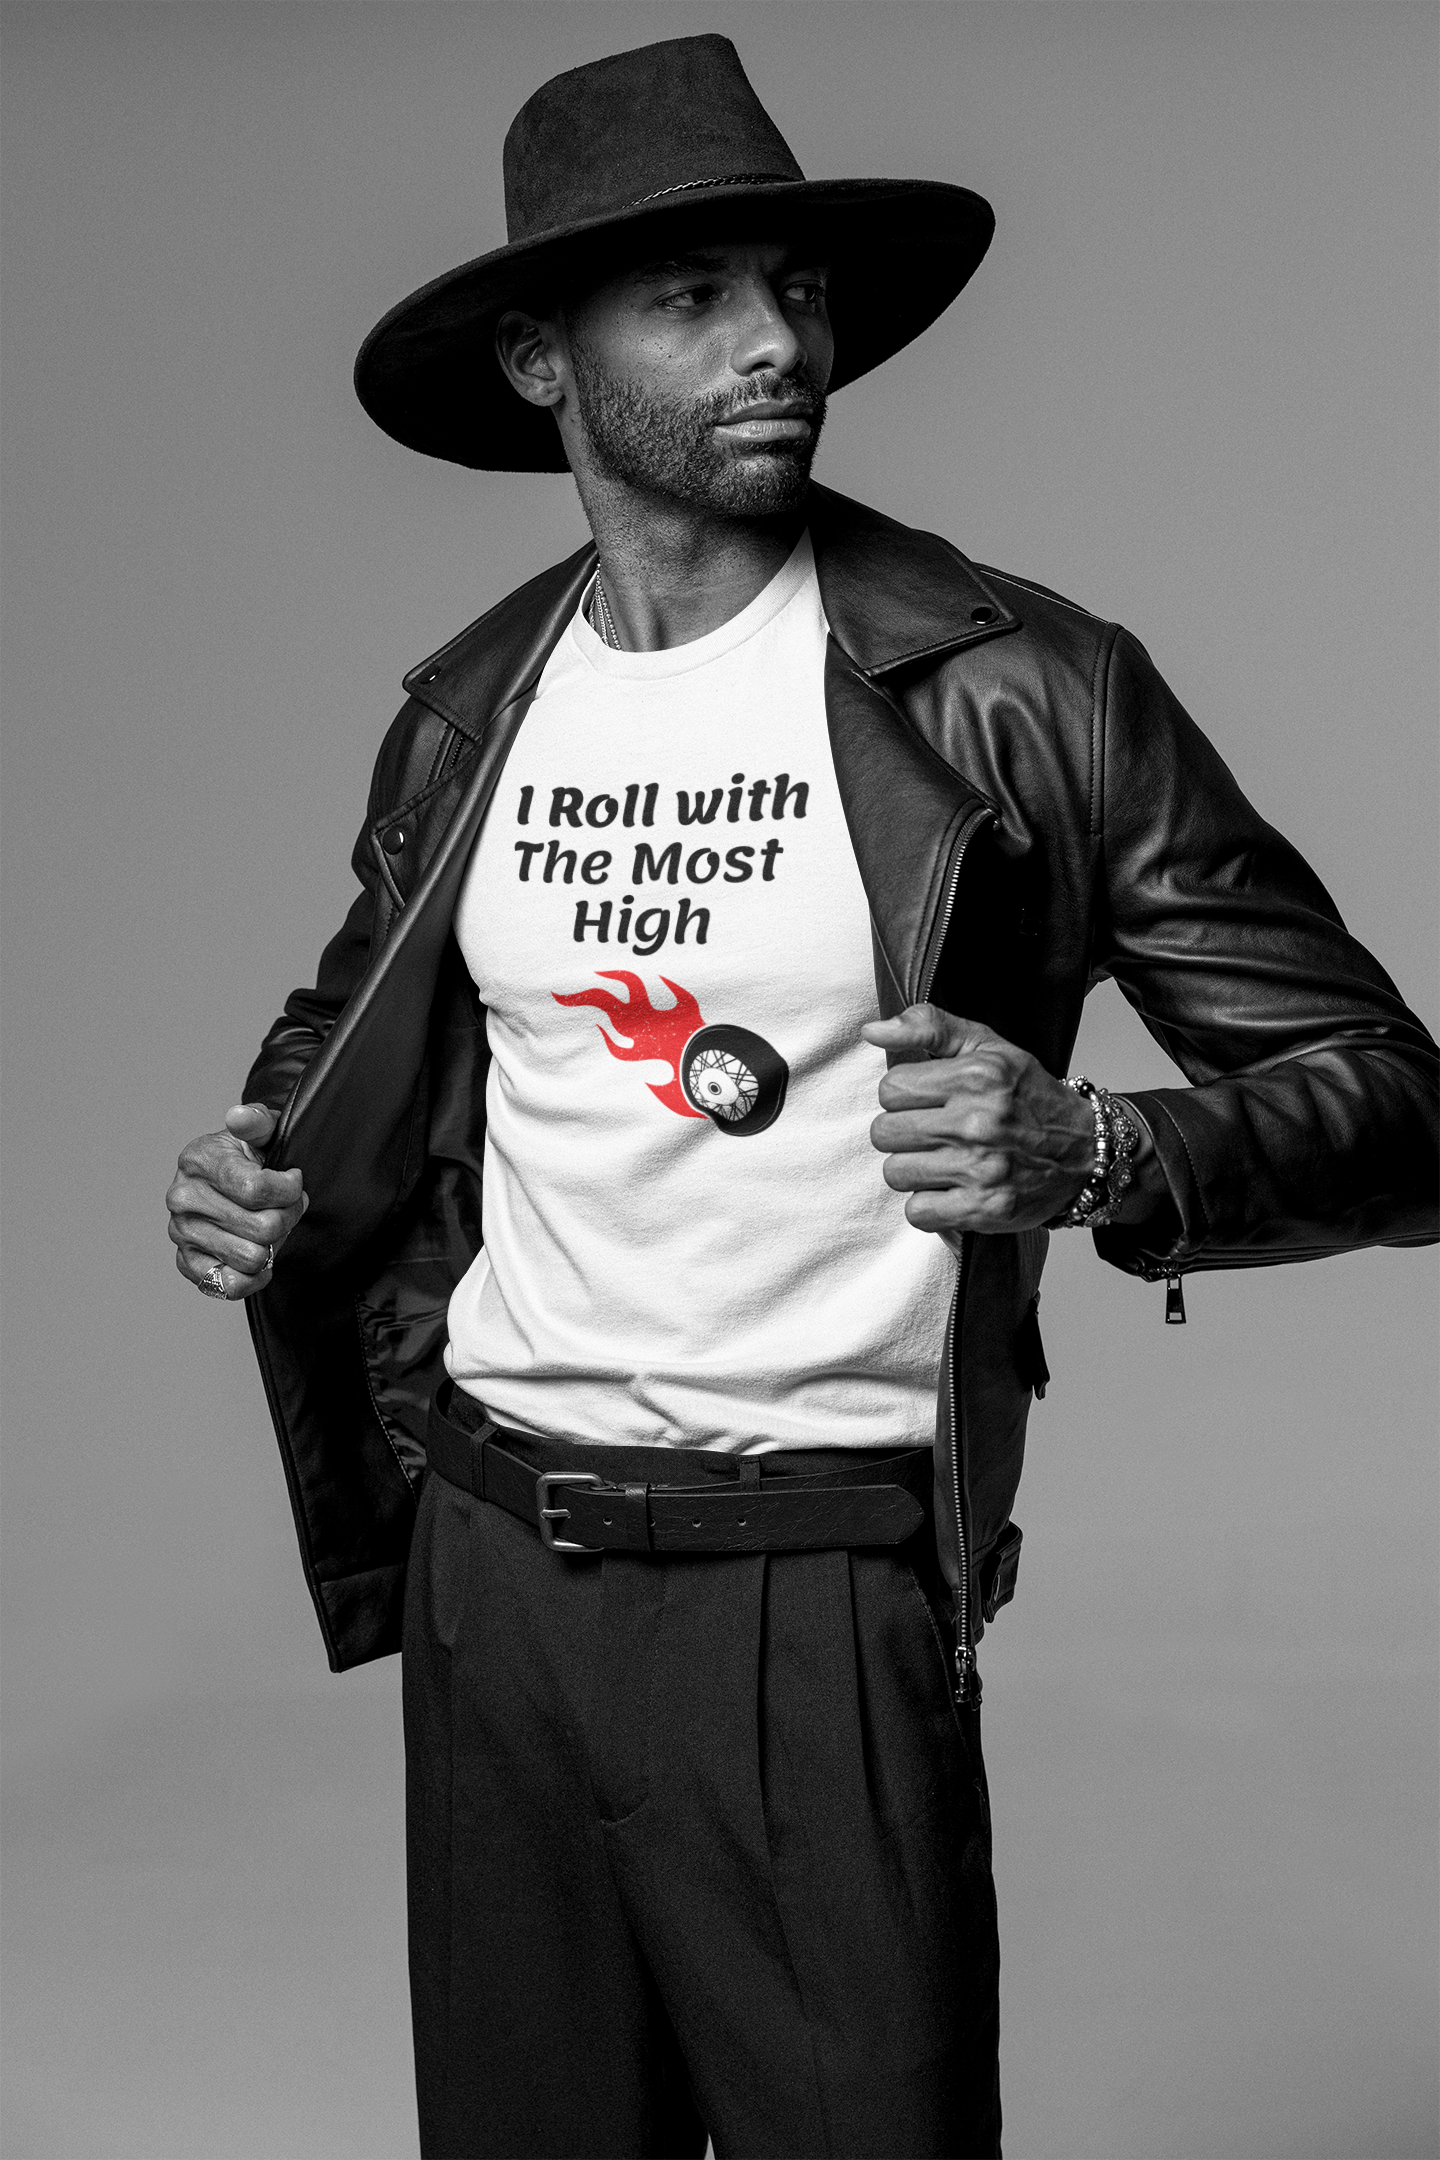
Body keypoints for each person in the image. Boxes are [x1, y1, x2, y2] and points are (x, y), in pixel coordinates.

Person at [163, 34, 1440, 2160]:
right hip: (492, 1570)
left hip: (812, 1592)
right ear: (537, 362)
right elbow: (353, 1025)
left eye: (800, 292)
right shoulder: (473, 715)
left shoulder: (1026, 688)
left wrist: (1102, 1150)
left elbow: (1398, 1105)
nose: (781, 346)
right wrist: (255, 1166)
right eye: (696, 300)